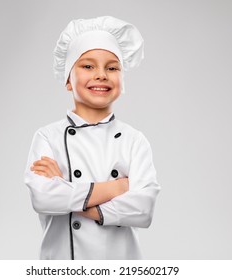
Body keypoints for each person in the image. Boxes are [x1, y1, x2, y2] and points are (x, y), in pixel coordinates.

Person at [24, 16, 160, 260]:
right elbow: (43, 198)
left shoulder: (134, 140)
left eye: (112, 67)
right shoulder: (47, 136)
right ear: (68, 80)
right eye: (88, 66)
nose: (101, 75)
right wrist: (118, 187)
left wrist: (68, 192)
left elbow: (143, 210)